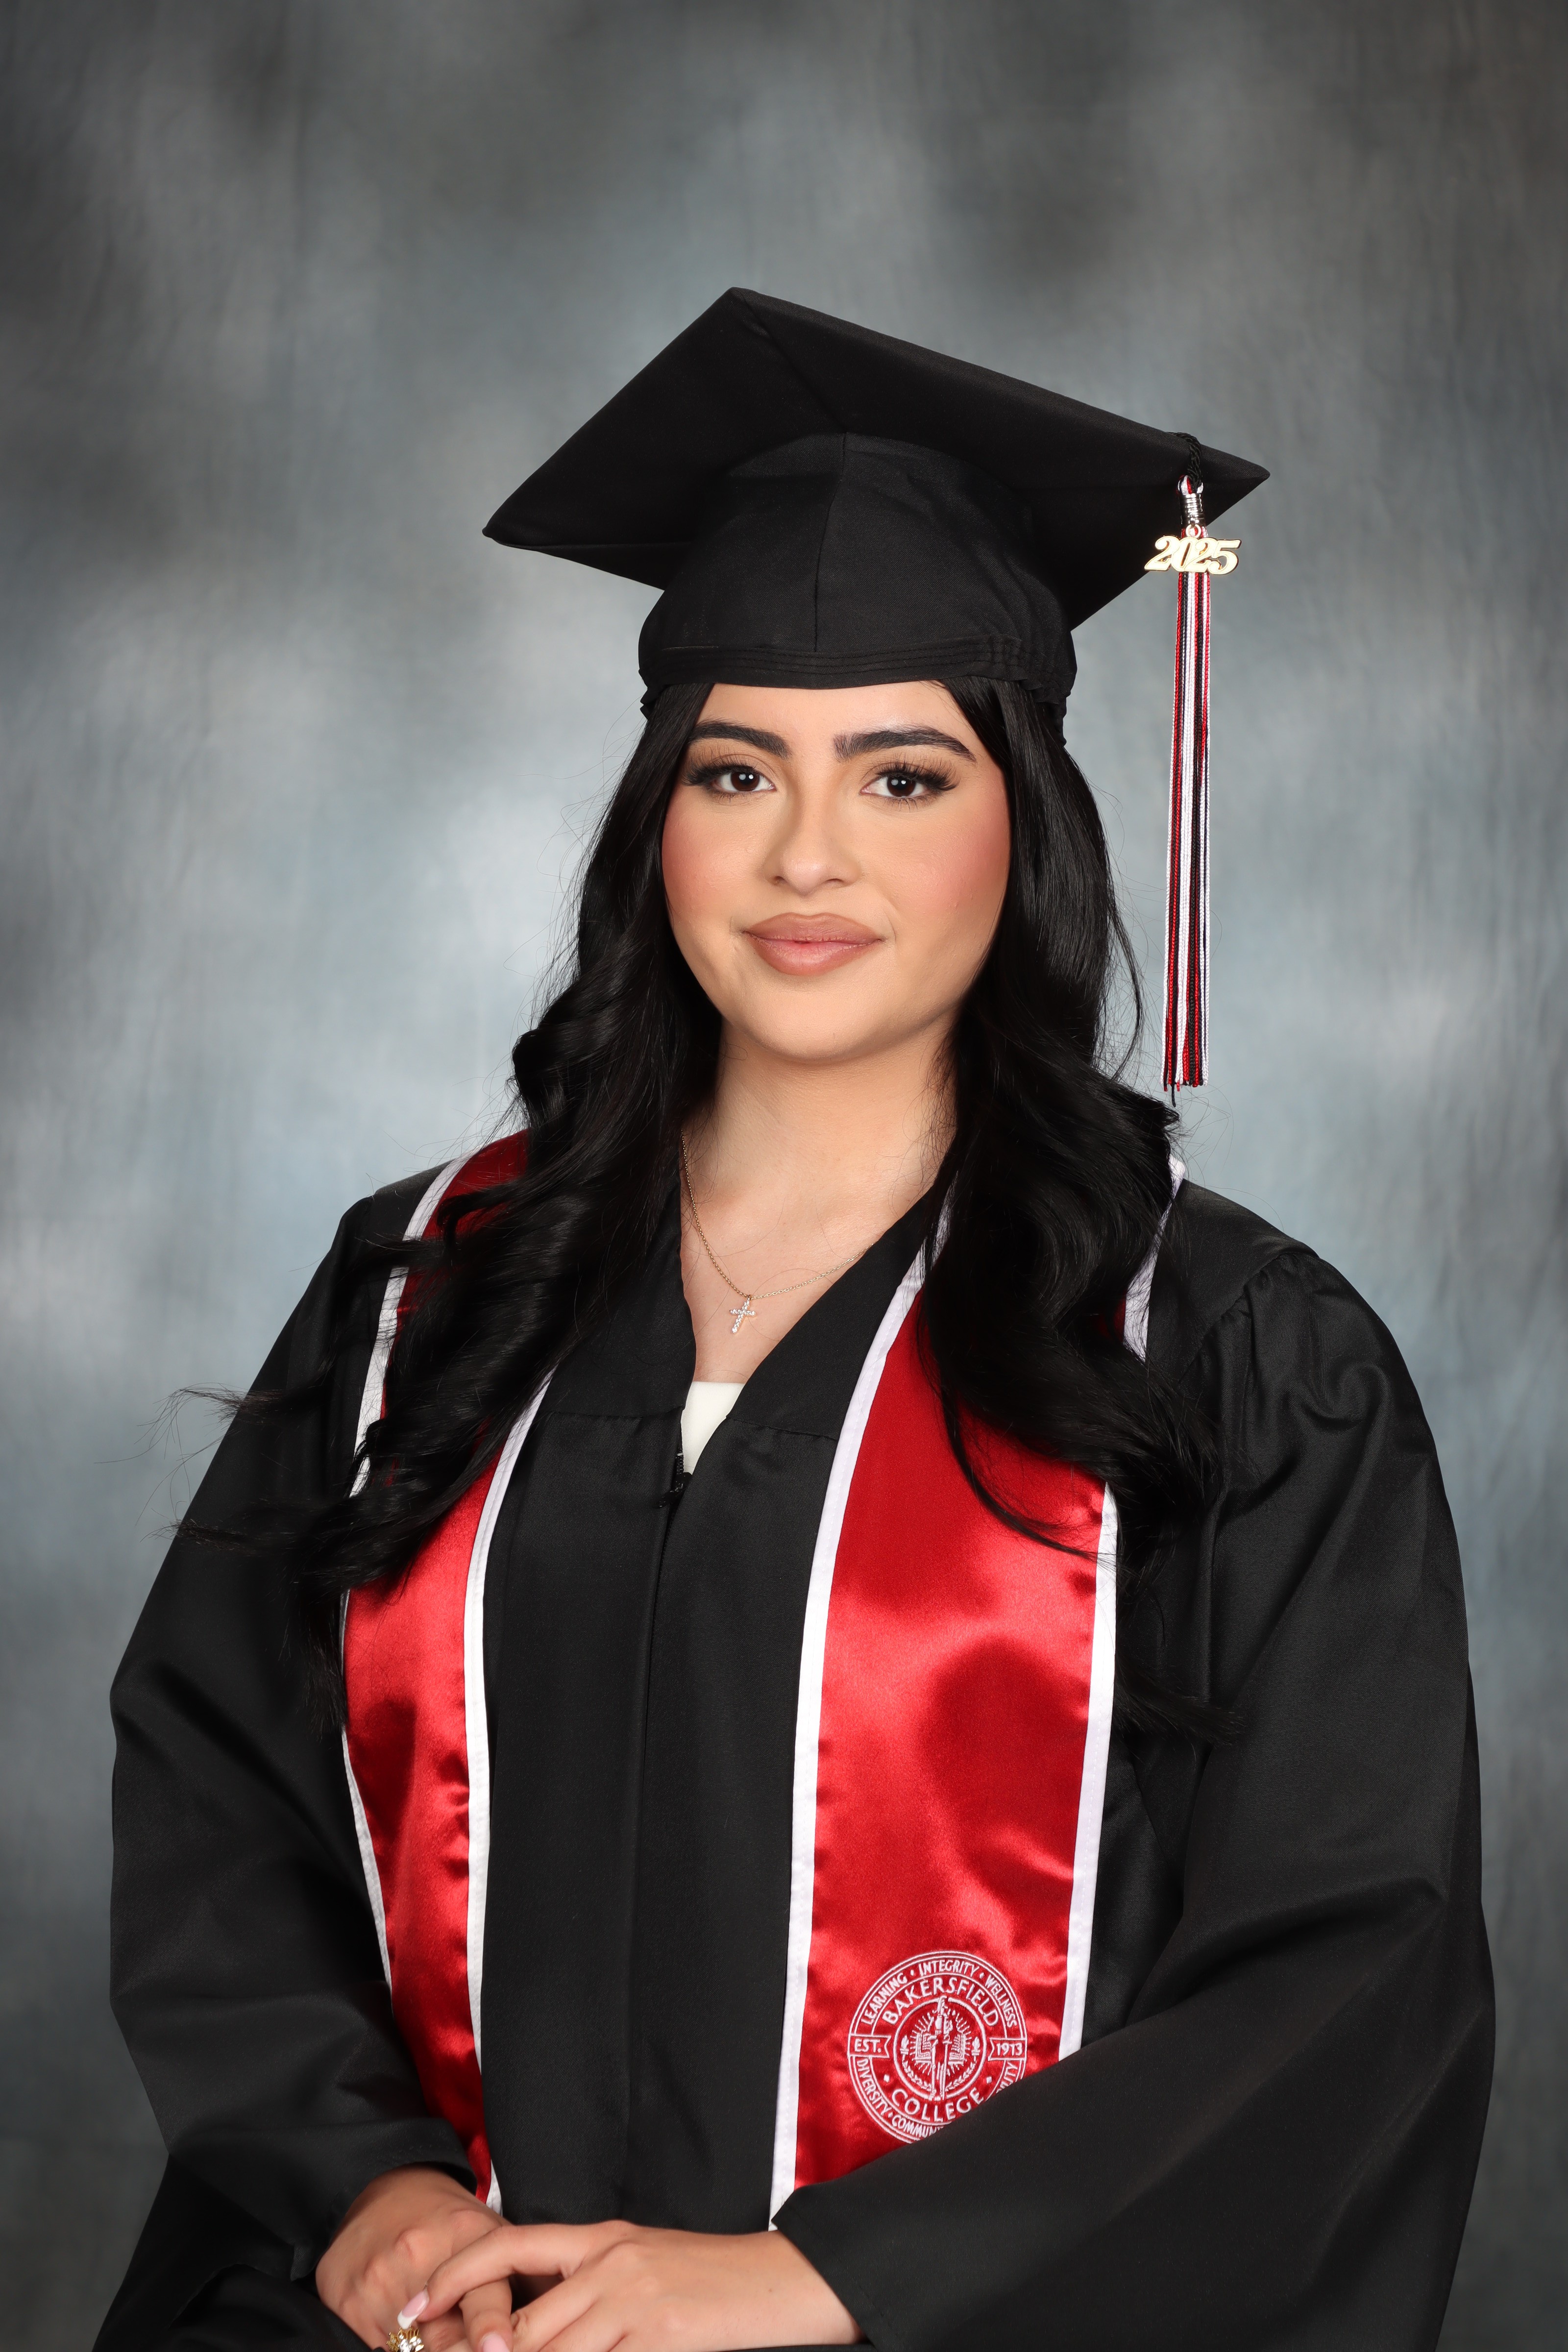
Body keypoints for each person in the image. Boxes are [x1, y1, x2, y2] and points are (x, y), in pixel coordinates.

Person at [97, 292, 1492, 2352]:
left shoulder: (1228, 1353)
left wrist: (825, 2278)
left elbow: (1341, 1970)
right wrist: (363, 2189)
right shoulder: (427, 1290)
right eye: (735, 769)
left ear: (1024, 824)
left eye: (904, 776)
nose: (806, 855)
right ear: (656, 816)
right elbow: (224, 1786)